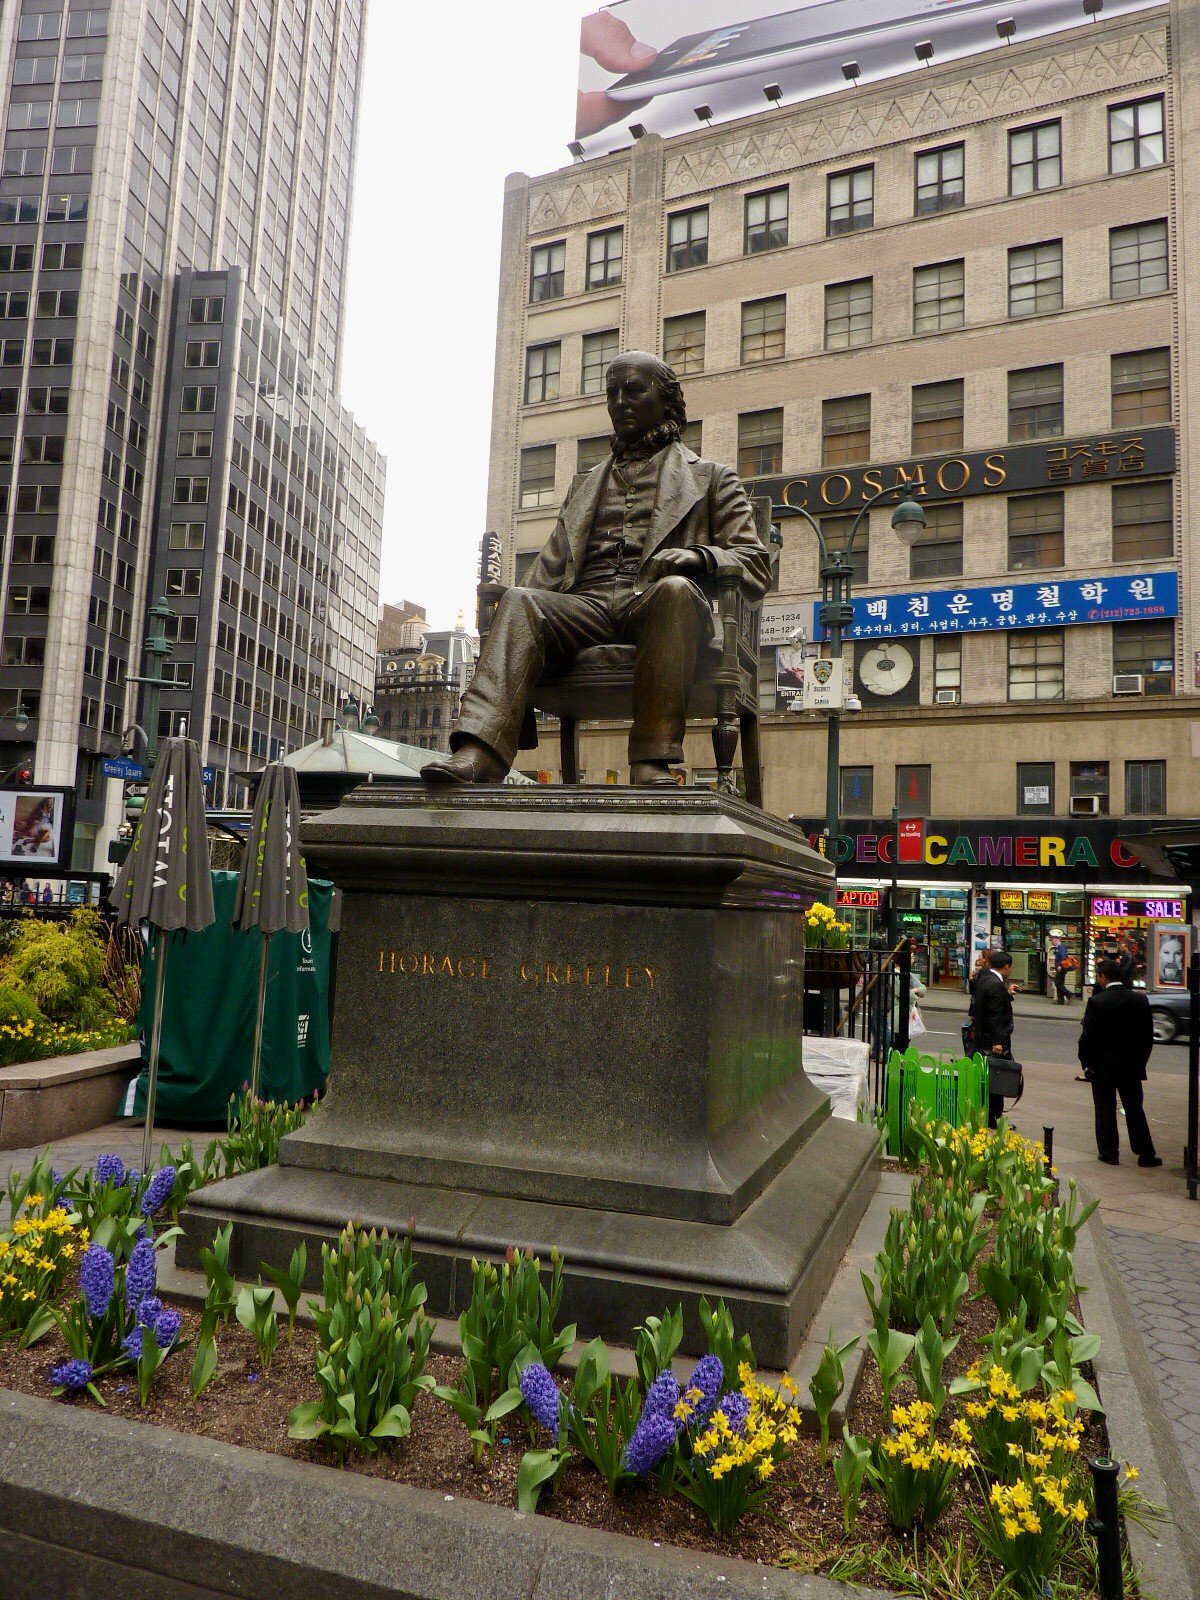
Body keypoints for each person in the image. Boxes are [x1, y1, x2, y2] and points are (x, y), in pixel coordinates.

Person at [423, 352, 771, 788]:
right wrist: (517, 614)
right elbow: (548, 569)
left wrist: (699, 557)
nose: (620, 401)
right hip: (585, 607)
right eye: (612, 393)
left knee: (676, 591)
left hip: (658, 606)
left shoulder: (713, 478)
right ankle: (481, 749)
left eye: (633, 390)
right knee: (519, 600)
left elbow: (755, 564)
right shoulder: (587, 484)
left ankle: (652, 760)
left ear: (666, 402)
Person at [1078, 957, 1162, 1167]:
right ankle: (1145, 1153)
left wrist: (1087, 1062)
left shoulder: (1097, 1002)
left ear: (1103, 977)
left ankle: (1109, 1152)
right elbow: (1147, 1037)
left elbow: (1088, 1036)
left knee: (1105, 1108)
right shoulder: (1139, 1000)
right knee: (1134, 1109)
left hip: (1103, 1066)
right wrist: (1140, 1062)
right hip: (1131, 1066)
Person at [970, 949, 1016, 1129]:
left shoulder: (985, 978)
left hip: (982, 1036)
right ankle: (995, 1118)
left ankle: (989, 1115)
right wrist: (998, 1042)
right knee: (997, 1079)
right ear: (1006, 967)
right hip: (992, 1040)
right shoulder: (996, 984)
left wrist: (1008, 994)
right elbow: (995, 1014)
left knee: (989, 1079)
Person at [1052, 930, 1073, 1004]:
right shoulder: (1060, 947)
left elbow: (1063, 957)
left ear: (1056, 940)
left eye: (1053, 940)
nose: (1052, 942)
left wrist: (1060, 966)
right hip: (1061, 968)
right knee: (1060, 983)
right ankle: (1060, 1001)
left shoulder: (1061, 947)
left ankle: (1069, 995)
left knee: (1058, 983)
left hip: (1061, 968)